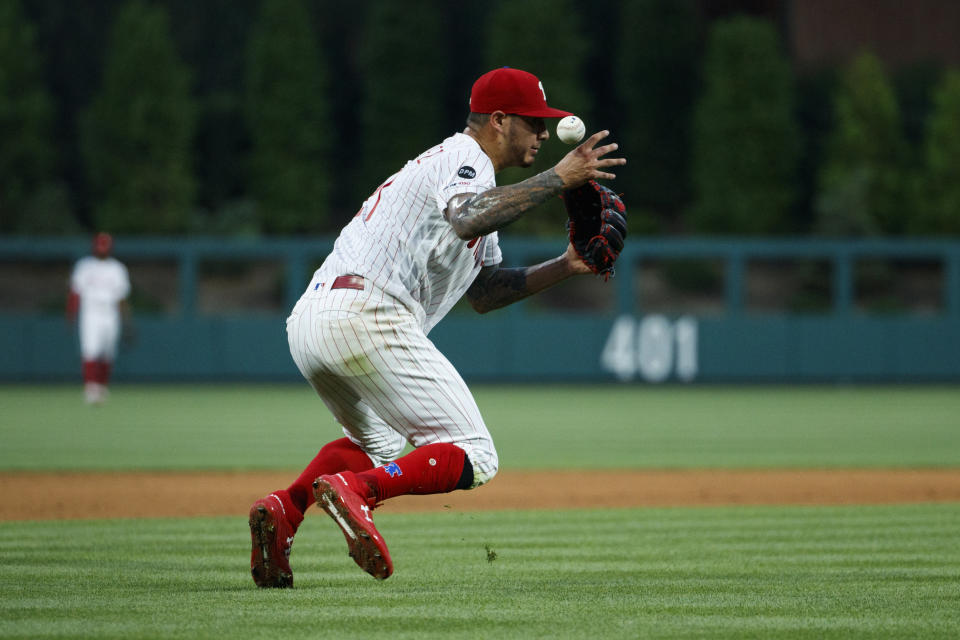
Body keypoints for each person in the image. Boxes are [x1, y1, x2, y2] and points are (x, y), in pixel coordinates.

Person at [248, 67, 626, 586]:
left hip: (316, 320)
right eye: (533, 122)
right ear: (497, 120)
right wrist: (559, 178)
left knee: (375, 446)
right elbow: (468, 218)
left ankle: (284, 510)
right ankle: (361, 494)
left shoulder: (473, 178)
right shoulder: (465, 156)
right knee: (476, 453)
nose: (543, 132)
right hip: (367, 313)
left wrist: (565, 266)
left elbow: (486, 292)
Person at [66, 232, 131, 404]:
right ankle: (90, 387)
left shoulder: (117, 268)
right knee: (90, 350)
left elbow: (122, 298)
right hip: (91, 312)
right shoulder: (85, 266)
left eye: (105, 245)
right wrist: (71, 313)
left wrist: (127, 321)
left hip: (110, 312)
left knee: (108, 352)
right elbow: (75, 293)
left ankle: (101, 386)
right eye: (100, 245)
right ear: (94, 246)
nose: (102, 249)